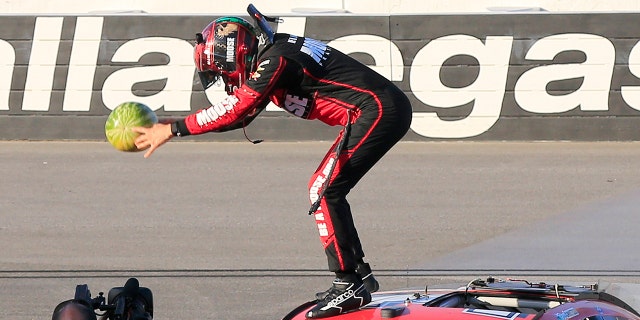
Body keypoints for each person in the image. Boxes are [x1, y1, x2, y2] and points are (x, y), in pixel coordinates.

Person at [132, 16, 412, 318]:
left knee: (323, 189)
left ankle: (348, 284)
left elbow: (234, 110)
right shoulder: (273, 55)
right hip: (378, 109)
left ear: (232, 55)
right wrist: (173, 127)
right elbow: (241, 116)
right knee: (325, 188)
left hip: (377, 111)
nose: (224, 76)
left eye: (221, 69)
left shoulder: (274, 61)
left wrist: (173, 130)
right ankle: (358, 274)